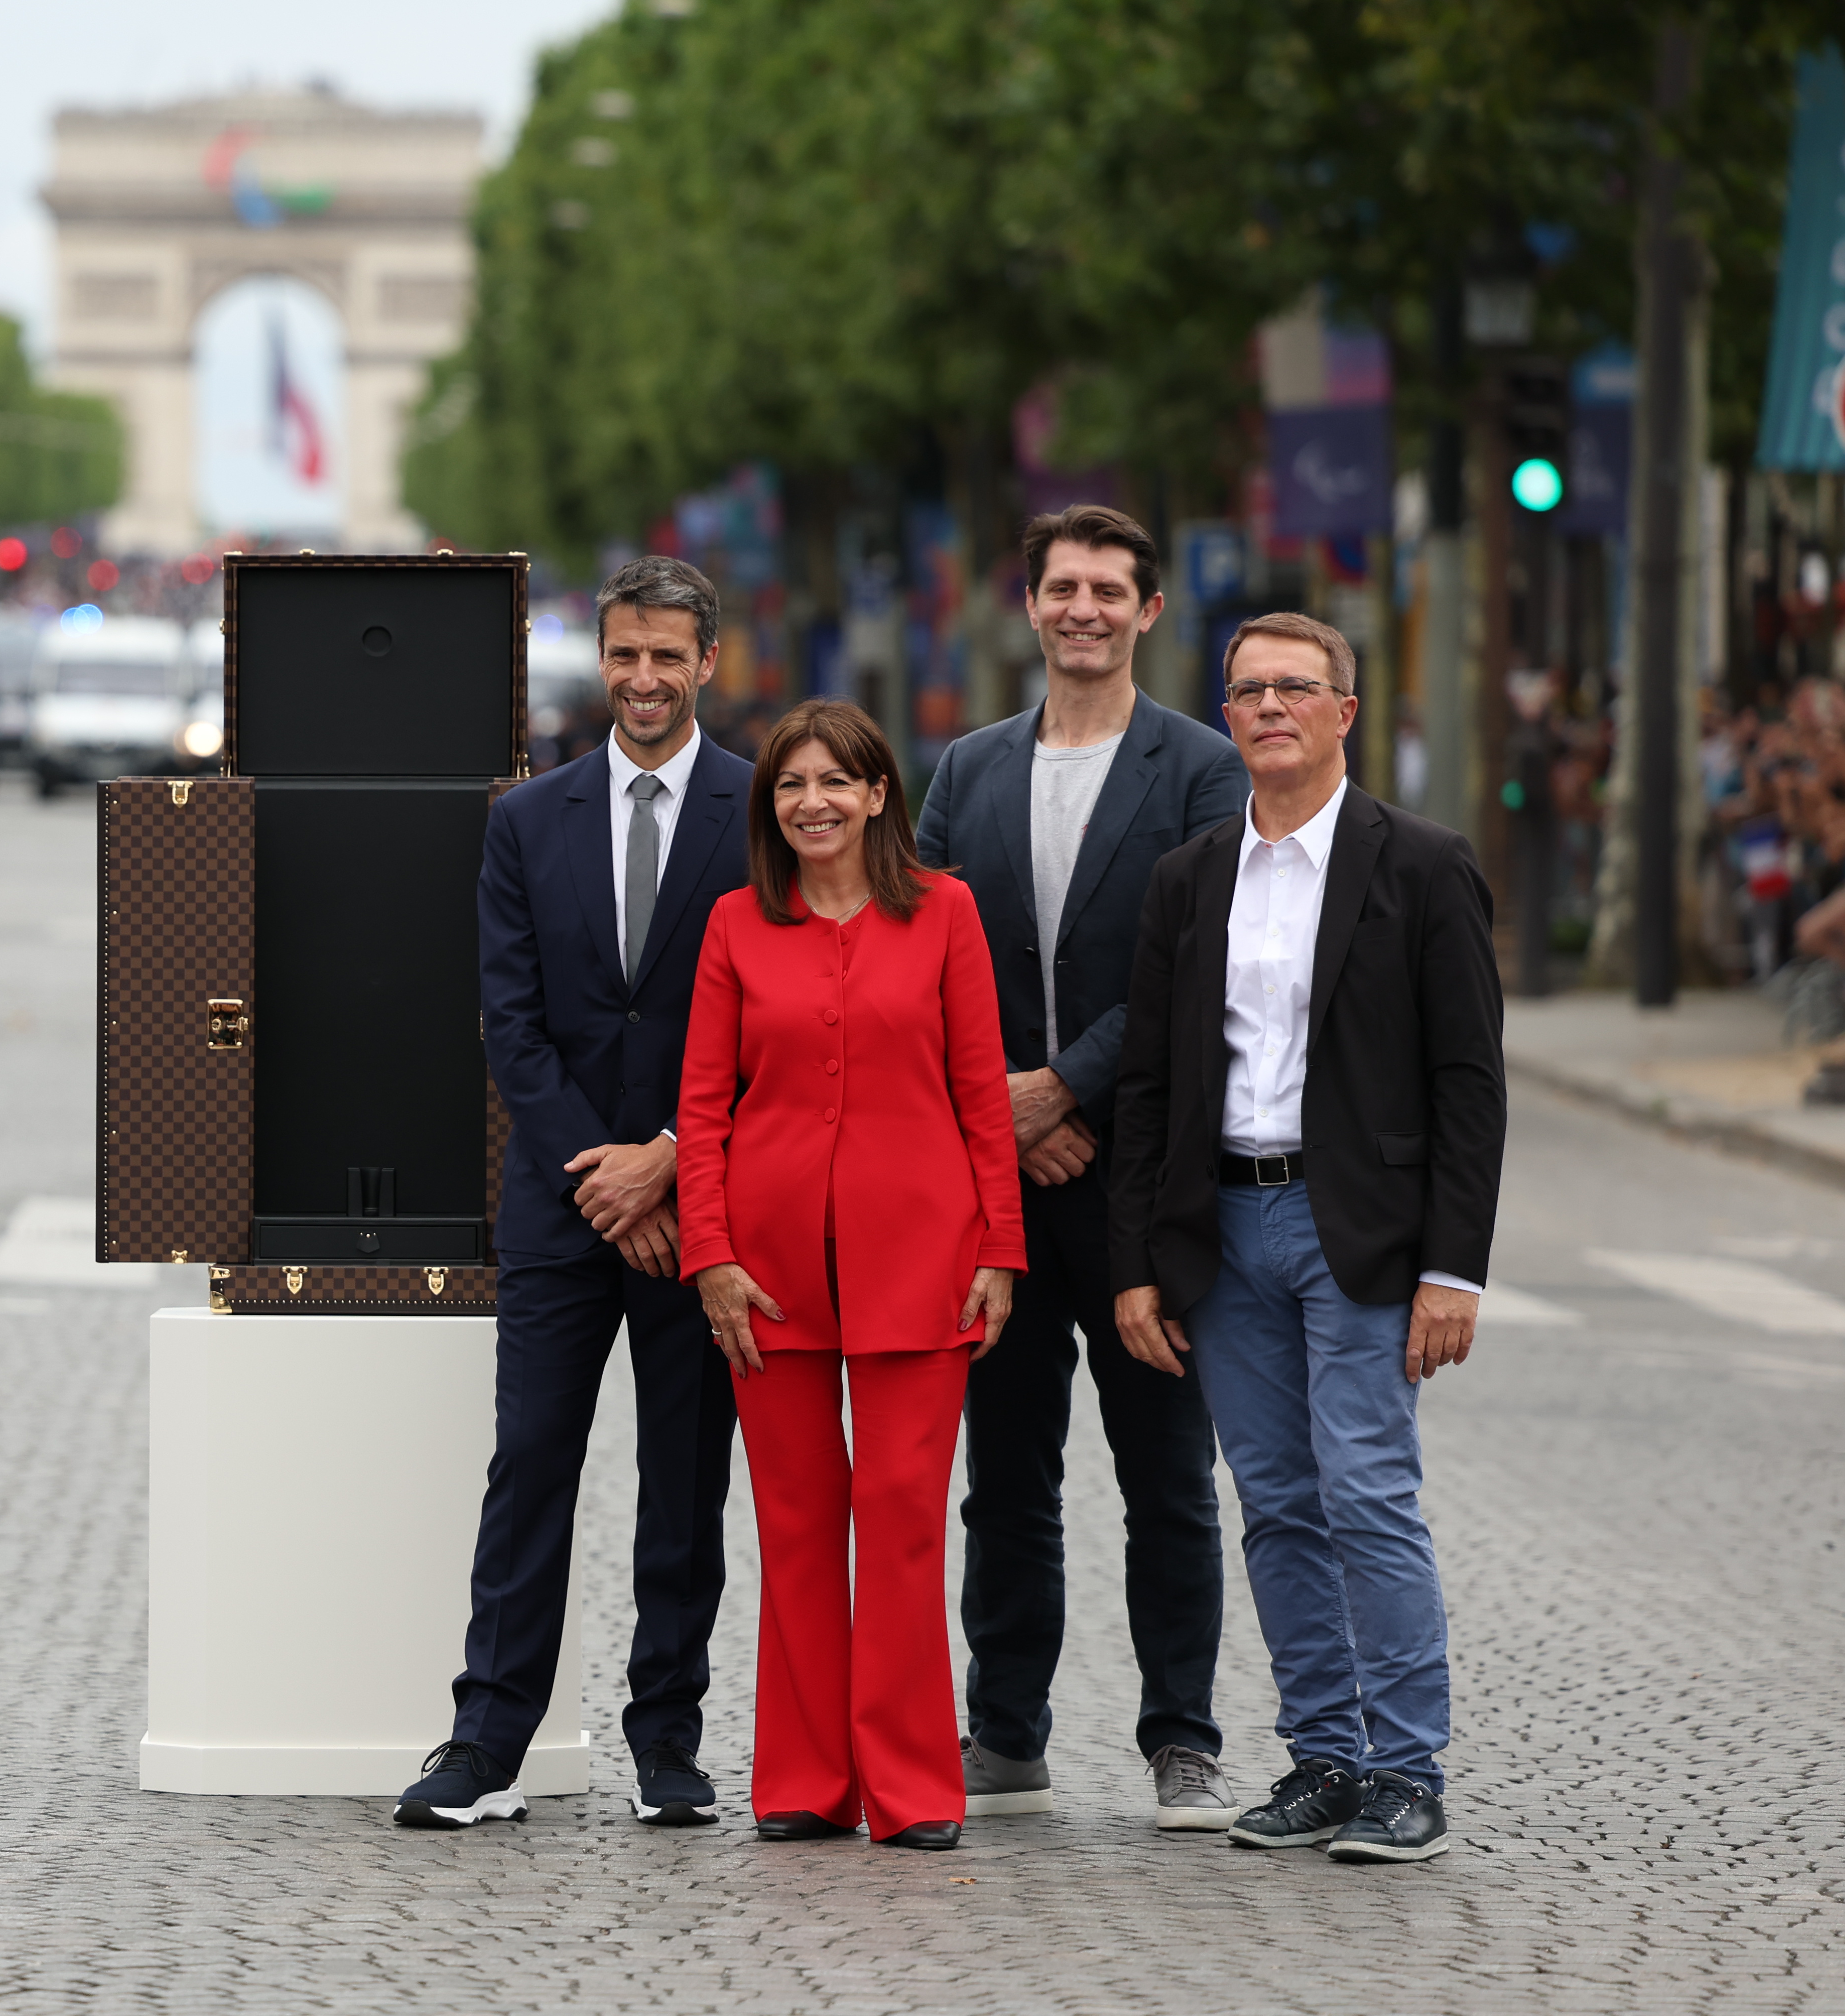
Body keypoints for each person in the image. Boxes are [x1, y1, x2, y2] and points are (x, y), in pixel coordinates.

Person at [1109, 610, 1506, 1865]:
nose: (1269, 706)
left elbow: (1468, 1082)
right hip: (1224, 1228)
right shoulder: (1188, 878)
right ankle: (1323, 1759)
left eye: (1296, 686)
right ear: (1224, 717)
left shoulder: (1423, 865)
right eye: (1246, 690)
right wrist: (1134, 1263)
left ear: (1346, 709)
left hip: (1368, 1234)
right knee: (1276, 1502)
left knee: (1369, 1491)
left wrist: (1453, 1266)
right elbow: (1149, 1089)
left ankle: (1407, 1770)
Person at [395, 556, 750, 1832]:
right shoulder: (524, 819)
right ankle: (487, 1736)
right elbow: (510, 1025)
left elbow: (764, 1023)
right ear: (597, 662)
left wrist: (667, 1160)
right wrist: (605, 1176)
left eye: (667, 656)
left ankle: (669, 1742)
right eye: (623, 656)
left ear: (708, 660)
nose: (643, 679)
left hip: (703, 1206)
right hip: (562, 1207)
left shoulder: (760, 810)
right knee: (532, 1465)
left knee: (684, 1480)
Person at [913, 504, 1251, 1832]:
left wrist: (1069, 1087)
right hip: (991, 1184)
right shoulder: (968, 770)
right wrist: (1003, 1109)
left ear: (1149, 612)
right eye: (1064, 587)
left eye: (1112, 589)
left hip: (1139, 1179)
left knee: (1166, 1469)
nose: (1086, 610)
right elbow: (920, 957)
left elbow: (1202, 960)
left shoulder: (1200, 770)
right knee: (1004, 1476)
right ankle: (1006, 1731)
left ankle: (1184, 1738)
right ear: (1032, 604)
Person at [678, 698, 1024, 1850]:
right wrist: (712, 1254)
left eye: (836, 781)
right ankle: (804, 1777)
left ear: (881, 793)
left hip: (922, 1261)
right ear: (768, 807)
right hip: (767, 1274)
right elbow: (703, 1108)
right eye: (790, 785)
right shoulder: (735, 925)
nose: (813, 802)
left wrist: (998, 1249)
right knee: (794, 1519)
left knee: (904, 1518)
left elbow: (983, 1094)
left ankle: (915, 1785)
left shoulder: (946, 915)